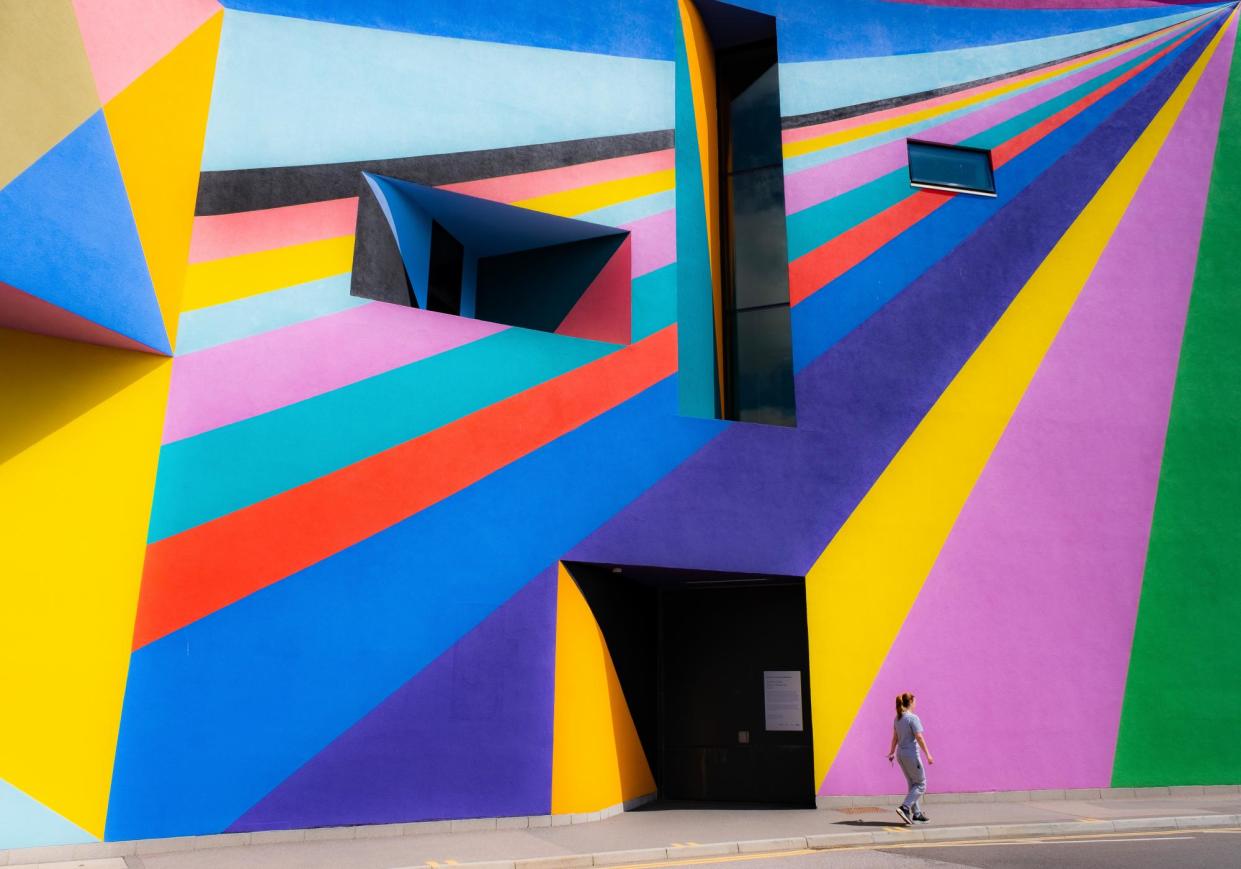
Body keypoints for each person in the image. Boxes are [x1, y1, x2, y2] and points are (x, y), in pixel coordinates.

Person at [887, 692, 933, 825]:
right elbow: (919, 737)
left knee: (913, 784)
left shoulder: (898, 718)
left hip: (901, 755)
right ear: (911, 702)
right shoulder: (913, 718)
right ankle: (905, 807)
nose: (916, 703)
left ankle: (917, 814)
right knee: (921, 784)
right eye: (915, 701)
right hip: (911, 755)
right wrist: (928, 754)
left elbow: (895, 738)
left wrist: (891, 752)